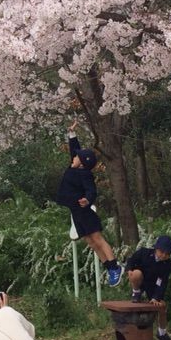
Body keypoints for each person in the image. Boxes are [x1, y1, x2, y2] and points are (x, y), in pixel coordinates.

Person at [55, 121, 122, 286]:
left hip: (83, 211)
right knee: (90, 242)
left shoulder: (84, 174)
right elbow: (75, 150)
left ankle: (114, 267)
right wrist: (72, 135)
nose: (74, 157)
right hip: (76, 212)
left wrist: (88, 200)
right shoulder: (74, 166)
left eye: (77, 157)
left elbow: (92, 190)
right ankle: (108, 267)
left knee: (97, 238)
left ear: (82, 163)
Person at [126, 234, 171, 340]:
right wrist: (129, 269)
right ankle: (136, 292)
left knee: (162, 306)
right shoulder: (144, 252)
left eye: (167, 254)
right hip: (140, 279)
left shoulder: (168, 265)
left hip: (153, 286)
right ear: (156, 249)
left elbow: (162, 282)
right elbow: (131, 260)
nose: (163, 255)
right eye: (162, 252)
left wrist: (156, 297)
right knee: (136, 274)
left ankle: (162, 333)